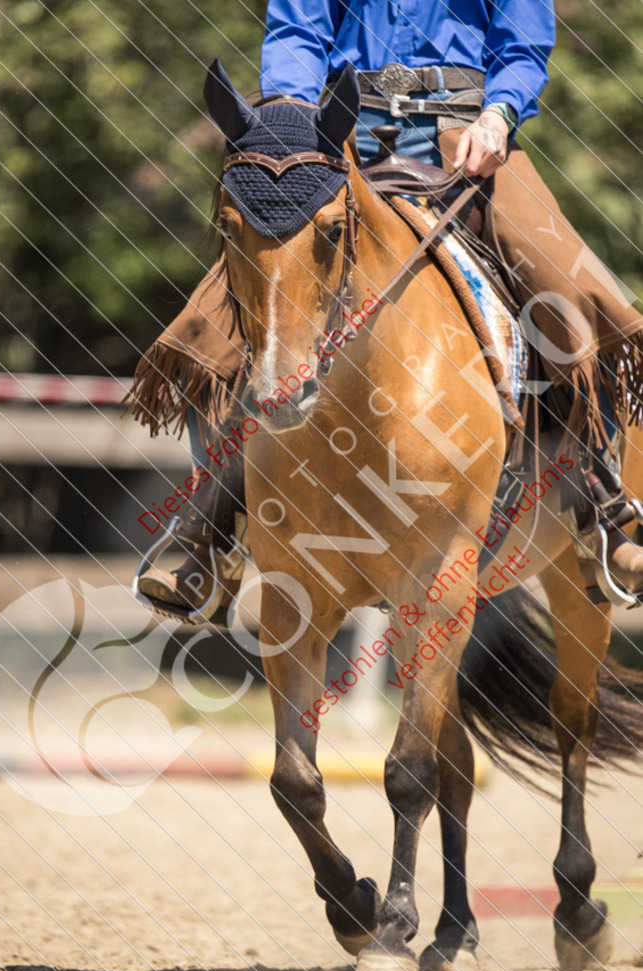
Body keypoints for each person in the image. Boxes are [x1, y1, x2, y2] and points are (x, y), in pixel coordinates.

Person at [130, 0, 643, 612]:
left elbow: (522, 47)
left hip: (469, 139)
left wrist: (499, 118)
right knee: (216, 314)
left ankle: (601, 503)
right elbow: (297, 31)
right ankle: (211, 531)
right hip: (339, 143)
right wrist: (294, 124)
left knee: (573, 290)